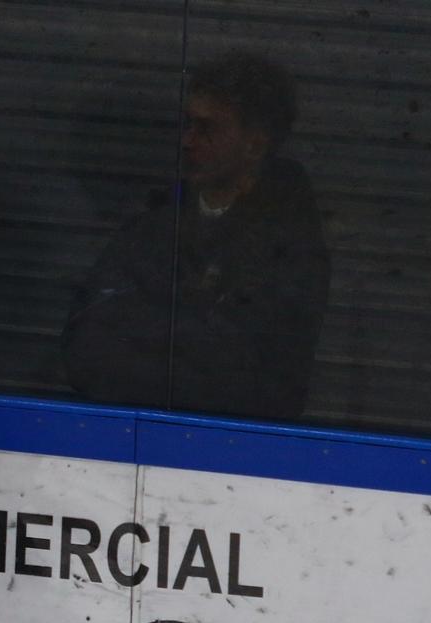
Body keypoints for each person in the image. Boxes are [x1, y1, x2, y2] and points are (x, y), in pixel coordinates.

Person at [62, 52, 330, 422]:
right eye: (187, 124)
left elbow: (247, 379)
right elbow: (85, 348)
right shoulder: (154, 225)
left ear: (254, 144)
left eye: (208, 129)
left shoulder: (289, 246)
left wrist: (148, 335)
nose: (188, 141)